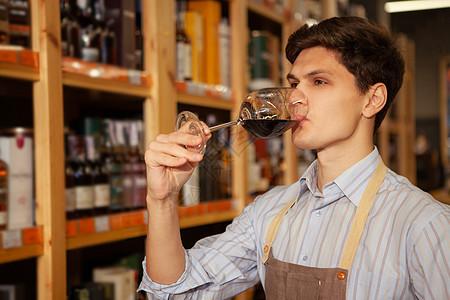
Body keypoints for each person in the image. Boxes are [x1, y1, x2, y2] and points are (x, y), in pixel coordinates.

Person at [138, 16, 450, 299]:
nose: (296, 97)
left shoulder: (423, 224)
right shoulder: (269, 211)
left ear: (372, 99)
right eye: (294, 84)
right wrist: (162, 200)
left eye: (319, 81)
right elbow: (176, 293)